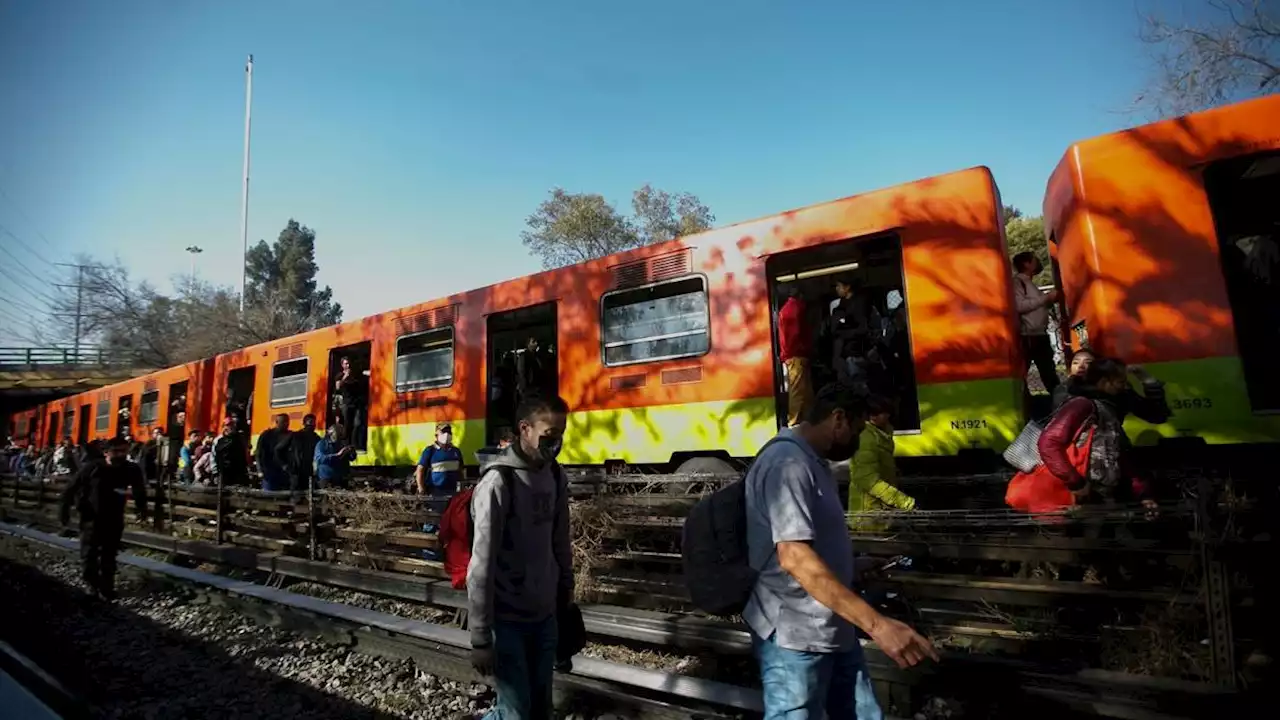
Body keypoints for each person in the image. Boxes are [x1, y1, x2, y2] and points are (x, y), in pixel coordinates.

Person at [744, 383, 937, 719]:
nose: (860, 438)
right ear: (838, 419)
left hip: (831, 625)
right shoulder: (787, 464)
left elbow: (810, 545)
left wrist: (852, 565)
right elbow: (795, 557)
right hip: (795, 635)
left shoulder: (812, 462)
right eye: (858, 429)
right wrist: (878, 626)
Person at [468, 394, 573, 720]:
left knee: (541, 708)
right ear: (524, 429)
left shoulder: (555, 476)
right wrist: (480, 637)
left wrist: (566, 590)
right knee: (515, 713)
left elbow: (560, 540)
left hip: (544, 616)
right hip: (507, 621)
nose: (555, 443)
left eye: (560, 434)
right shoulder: (499, 483)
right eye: (548, 435)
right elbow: (480, 565)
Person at [1038, 357, 1159, 514]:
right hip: (1080, 494)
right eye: (1120, 382)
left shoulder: (1108, 407)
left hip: (1099, 491)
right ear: (1103, 382)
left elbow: (1119, 452)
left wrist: (1143, 494)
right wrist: (1076, 483)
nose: (1124, 387)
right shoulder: (1083, 405)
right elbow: (1048, 443)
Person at [59, 436, 147, 601]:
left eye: (124, 451)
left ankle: (107, 586)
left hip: (114, 517)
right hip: (91, 517)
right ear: (106, 452)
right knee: (89, 553)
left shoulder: (131, 469)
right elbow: (71, 488)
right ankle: (91, 584)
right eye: (116, 451)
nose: (121, 455)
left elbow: (139, 489)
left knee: (109, 553)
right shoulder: (92, 468)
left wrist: (141, 509)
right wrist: (64, 512)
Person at [847, 395, 916, 533]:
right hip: (867, 515)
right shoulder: (867, 438)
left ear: (888, 413)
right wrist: (903, 501)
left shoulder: (883, 432)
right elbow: (867, 480)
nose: (873, 416)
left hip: (878, 512)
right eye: (870, 413)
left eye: (878, 412)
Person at [1011, 252, 1062, 395]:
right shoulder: (1018, 282)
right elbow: (1019, 306)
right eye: (1034, 260)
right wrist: (1045, 299)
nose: (1038, 262)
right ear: (1026, 264)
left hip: (1038, 334)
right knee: (1044, 373)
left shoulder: (1029, 283)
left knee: (1048, 373)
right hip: (1029, 336)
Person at [778, 285, 814, 427]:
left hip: (792, 355)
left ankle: (806, 419)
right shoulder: (797, 309)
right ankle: (795, 421)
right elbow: (797, 335)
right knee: (799, 390)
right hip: (797, 354)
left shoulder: (786, 309)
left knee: (802, 390)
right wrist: (805, 349)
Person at [277, 414, 321, 498]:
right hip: (296, 472)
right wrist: (284, 465)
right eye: (309, 423)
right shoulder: (295, 436)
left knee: (309, 498)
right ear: (304, 424)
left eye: (313, 424)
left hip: (309, 474)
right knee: (295, 498)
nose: (311, 426)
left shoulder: (317, 439)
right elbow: (278, 449)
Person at [334, 356, 368, 449]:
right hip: (346, 404)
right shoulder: (339, 375)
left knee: (357, 423)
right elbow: (338, 387)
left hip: (356, 403)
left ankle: (354, 444)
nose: (348, 365)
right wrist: (345, 376)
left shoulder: (355, 374)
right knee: (347, 425)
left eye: (349, 363)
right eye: (346, 363)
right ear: (342, 365)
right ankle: (345, 445)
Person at [255, 413, 291, 491]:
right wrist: (260, 470)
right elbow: (259, 453)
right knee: (269, 494)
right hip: (269, 471)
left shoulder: (290, 435)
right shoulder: (267, 435)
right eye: (283, 422)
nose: (286, 424)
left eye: (287, 421)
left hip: (284, 472)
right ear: (277, 422)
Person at [314, 423, 355, 489]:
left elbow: (351, 458)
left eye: (342, 432)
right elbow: (319, 459)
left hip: (342, 477)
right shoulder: (322, 444)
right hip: (327, 478)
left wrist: (351, 453)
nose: (341, 434)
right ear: (331, 433)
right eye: (338, 432)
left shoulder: (343, 443)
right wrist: (337, 455)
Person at [213, 418, 250, 487]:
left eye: (232, 425)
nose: (230, 427)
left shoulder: (239, 439)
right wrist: (215, 472)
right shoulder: (219, 440)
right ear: (223, 427)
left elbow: (244, 454)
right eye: (227, 425)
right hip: (224, 472)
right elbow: (214, 456)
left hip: (238, 471)